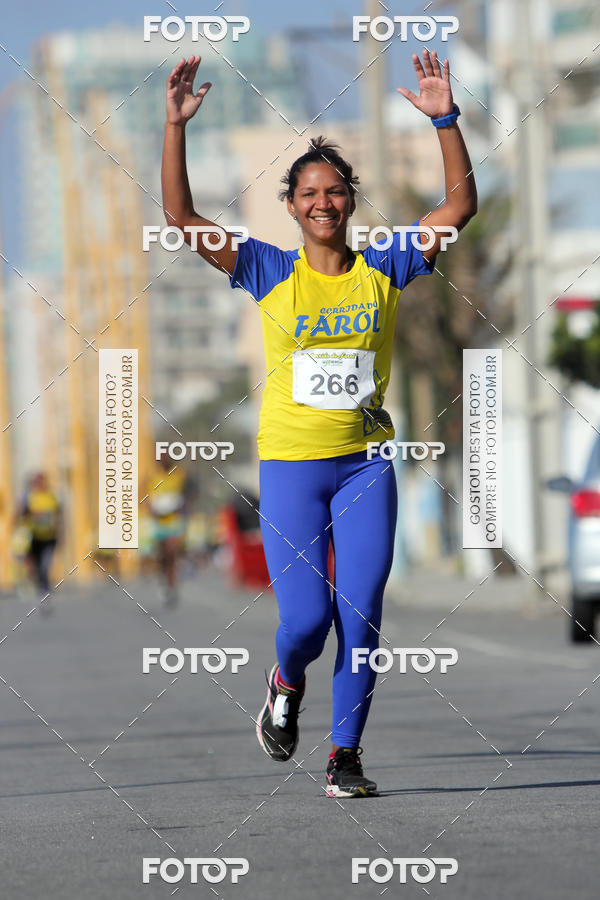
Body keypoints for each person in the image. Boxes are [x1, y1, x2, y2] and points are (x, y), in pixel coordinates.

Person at [161, 50, 477, 796]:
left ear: (351, 201)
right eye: (309, 193)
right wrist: (175, 127)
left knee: (360, 615)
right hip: (292, 469)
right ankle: (285, 681)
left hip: (365, 465)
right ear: (292, 206)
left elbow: (459, 209)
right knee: (305, 623)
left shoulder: (386, 265)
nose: (324, 202)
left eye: (335, 190)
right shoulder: (268, 270)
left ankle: (344, 756)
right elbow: (181, 219)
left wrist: (445, 120)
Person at [146, 456, 194, 608]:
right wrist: (150, 508)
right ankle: (163, 579)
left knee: (171, 552)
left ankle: (172, 585)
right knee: (162, 555)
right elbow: (146, 497)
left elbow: (189, 494)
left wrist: (183, 506)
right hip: (159, 522)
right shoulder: (153, 476)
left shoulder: (180, 475)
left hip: (174, 520)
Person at [19, 472, 62, 614]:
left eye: (42, 481)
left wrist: (60, 533)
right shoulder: (29, 497)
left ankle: (45, 595)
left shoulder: (52, 496)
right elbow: (21, 513)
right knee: (35, 569)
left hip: (49, 539)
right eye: (37, 482)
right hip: (34, 538)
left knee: (44, 567)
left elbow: (58, 515)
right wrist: (32, 514)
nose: (40, 484)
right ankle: (40, 592)